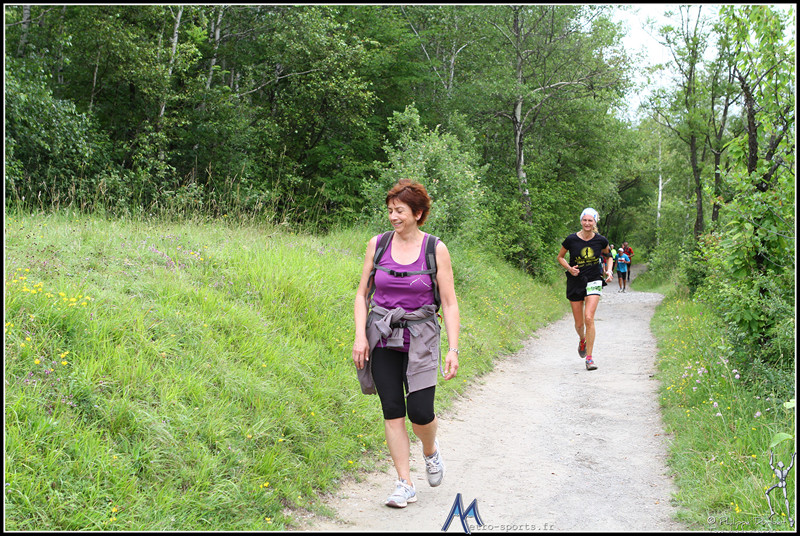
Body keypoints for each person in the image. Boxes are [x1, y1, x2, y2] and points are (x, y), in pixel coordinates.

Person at [352, 178, 460, 508]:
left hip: (421, 338)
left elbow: (449, 303)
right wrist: (360, 336)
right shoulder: (378, 244)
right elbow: (362, 294)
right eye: (390, 210)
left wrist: (453, 349)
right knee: (393, 410)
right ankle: (404, 483)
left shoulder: (435, 249)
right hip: (383, 336)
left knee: (420, 412)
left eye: (399, 211)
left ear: (418, 213)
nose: (393, 217)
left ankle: (430, 450)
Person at [557, 208, 613, 371]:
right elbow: (560, 257)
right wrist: (569, 268)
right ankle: (582, 339)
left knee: (589, 317)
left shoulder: (601, 240)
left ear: (595, 222)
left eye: (590, 220)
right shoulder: (571, 239)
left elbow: (609, 256)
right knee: (579, 324)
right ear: (581, 221)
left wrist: (609, 271)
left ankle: (589, 358)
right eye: (585, 220)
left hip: (594, 279)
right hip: (575, 281)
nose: (587, 223)